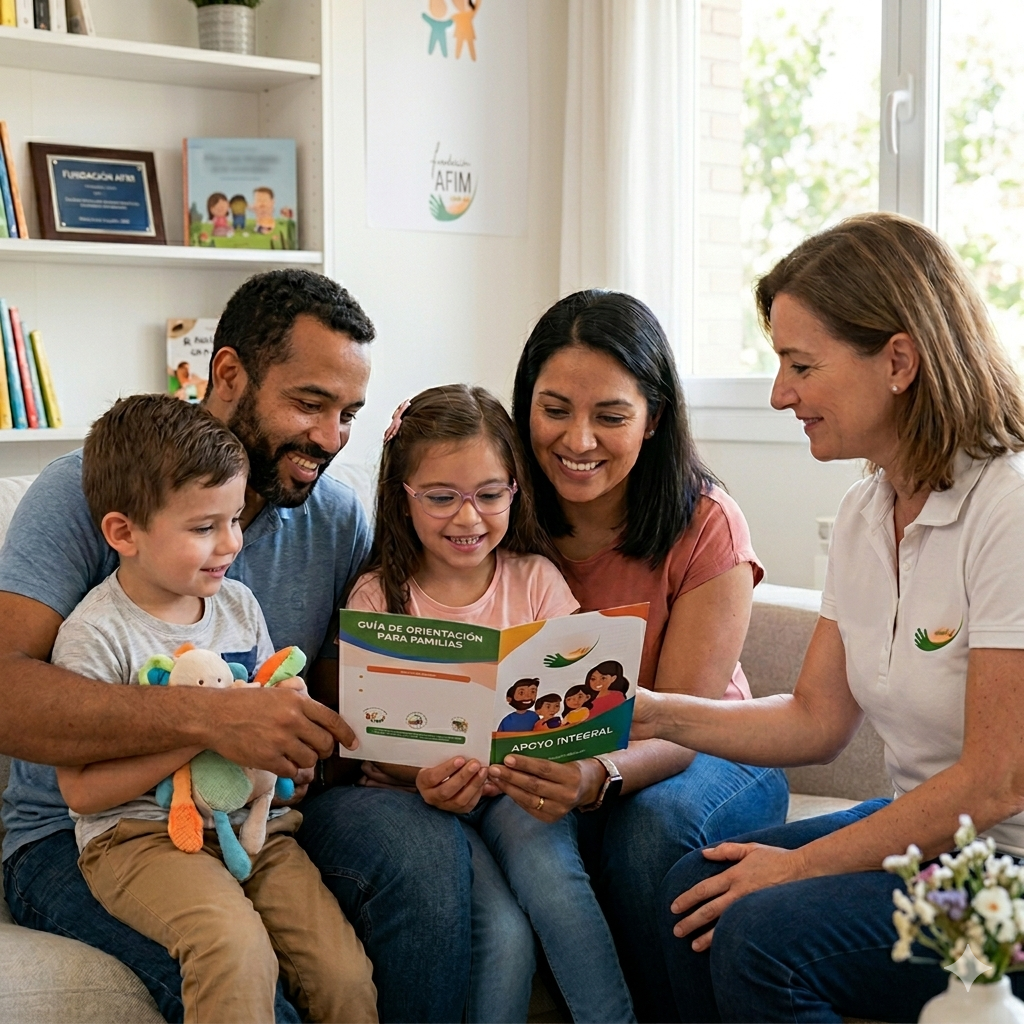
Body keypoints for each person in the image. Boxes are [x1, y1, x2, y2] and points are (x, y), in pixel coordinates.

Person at [0, 269, 473, 1024]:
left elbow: (343, 700)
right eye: (309, 403)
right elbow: (7, 693)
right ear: (228, 374)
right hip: (82, 835)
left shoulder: (335, 516)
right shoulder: (91, 491)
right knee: (249, 985)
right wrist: (211, 720)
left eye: (349, 413)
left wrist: (433, 752)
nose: (330, 438)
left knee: (421, 858)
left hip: (256, 813)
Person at [633, 211, 1024, 1023]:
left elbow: (996, 779)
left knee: (761, 936)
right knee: (692, 893)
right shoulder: (864, 508)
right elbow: (816, 720)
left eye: (800, 364)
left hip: (1008, 873)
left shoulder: (1010, 507)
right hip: (941, 847)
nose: (781, 394)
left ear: (899, 361)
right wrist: (653, 715)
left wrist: (804, 866)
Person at [488, 290, 789, 1021]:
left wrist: (595, 776)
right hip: (559, 755)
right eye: (554, 409)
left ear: (654, 418)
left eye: (611, 416)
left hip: (711, 749)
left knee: (647, 827)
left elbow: (682, 724)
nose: (578, 439)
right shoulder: (496, 511)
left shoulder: (706, 521)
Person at [54, 394, 376, 1024]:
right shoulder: (97, 634)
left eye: (234, 519)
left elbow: (267, 711)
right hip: (137, 838)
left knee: (344, 976)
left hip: (257, 826)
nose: (229, 543)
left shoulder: (240, 607)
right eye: (204, 528)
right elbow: (85, 793)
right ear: (125, 532)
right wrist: (204, 731)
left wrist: (292, 737)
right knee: (235, 952)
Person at [346, 384, 635, 1023]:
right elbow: (368, 735)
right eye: (441, 497)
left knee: (553, 884)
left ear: (514, 492)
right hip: (418, 800)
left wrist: (558, 753)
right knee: (502, 934)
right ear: (404, 497)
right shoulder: (377, 597)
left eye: (489, 495)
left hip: (519, 787)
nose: (468, 518)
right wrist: (420, 775)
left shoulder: (535, 581)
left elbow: (583, 708)